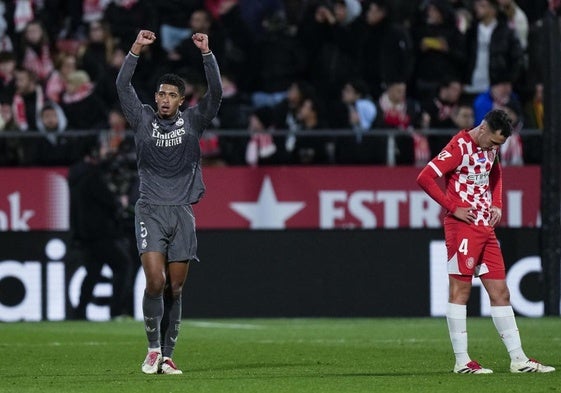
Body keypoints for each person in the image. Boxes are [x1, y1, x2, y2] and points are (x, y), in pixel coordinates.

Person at [416, 109, 555, 374]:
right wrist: (452, 207)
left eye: (499, 145)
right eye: (493, 141)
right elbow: (424, 177)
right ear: (482, 128)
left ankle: (518, 360)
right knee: (460, 292)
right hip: (462, 228)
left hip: (485, 228)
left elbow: (496, 173)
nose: (494, 147)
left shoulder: (490, 147)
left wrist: (498, 204)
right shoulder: (458, 147)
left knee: (501, 293)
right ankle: (462, 361)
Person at [116, 30, 222, 375]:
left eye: (171, 95)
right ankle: (151, 350)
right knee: (155, 283)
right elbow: (122, 87)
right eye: (160, 93)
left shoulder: (194, 120)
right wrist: (135, 49)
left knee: (176, 287)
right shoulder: (142, 118)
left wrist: (207, 54)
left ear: (181, 101)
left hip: (182, 213)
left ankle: (168, 355)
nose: (163, 99)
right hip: (150, 210)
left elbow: (216, 93)